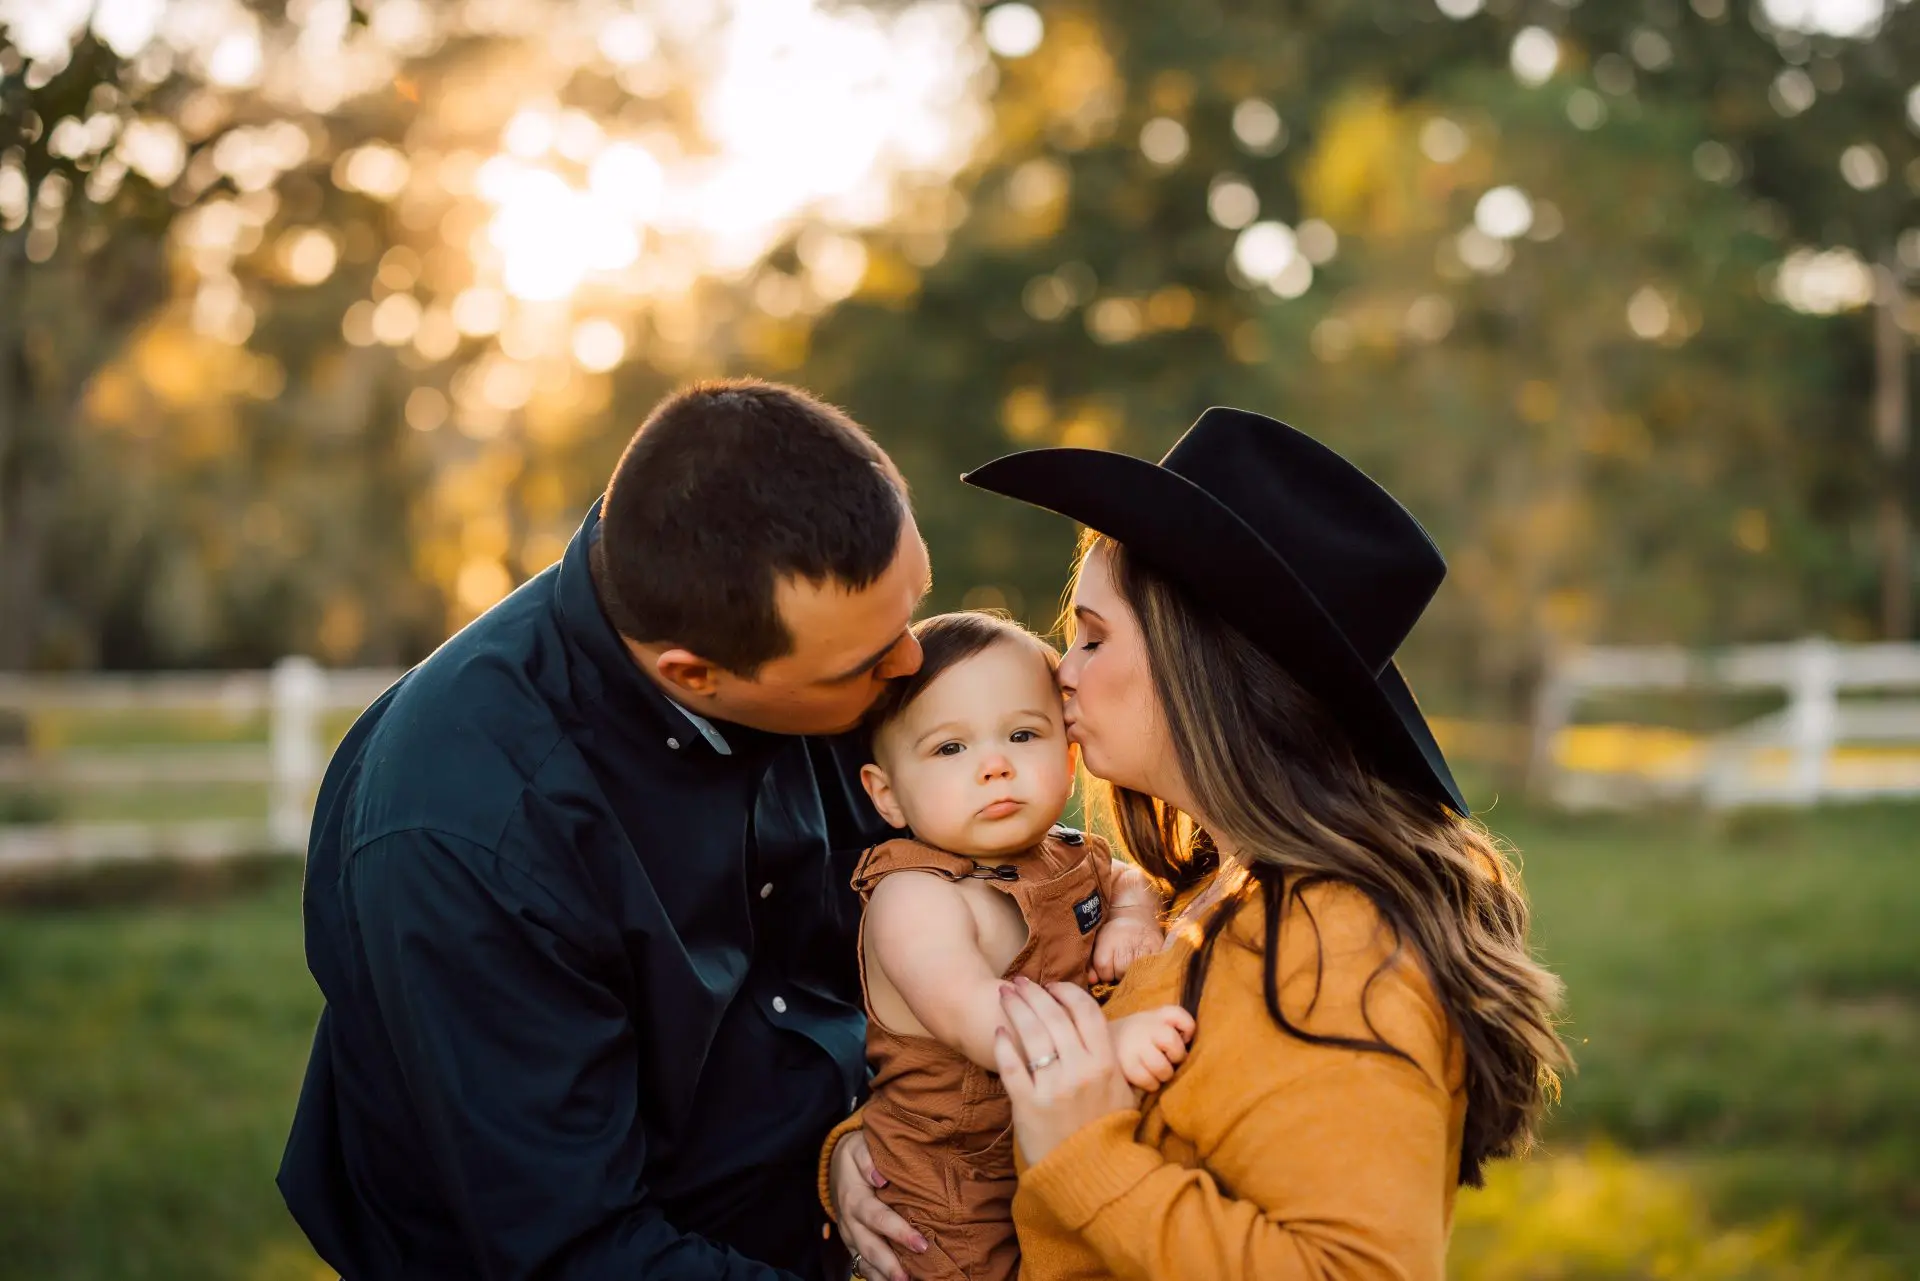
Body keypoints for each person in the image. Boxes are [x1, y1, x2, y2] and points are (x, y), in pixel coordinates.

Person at [829, 406, 1568, 1281]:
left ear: (1200, 662)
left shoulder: (1331, 948)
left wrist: (1084, 1155)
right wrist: (869, 1157)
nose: (1060, 672)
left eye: (1094, 636)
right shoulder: (1189, 895)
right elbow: (992, 1087)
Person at [280, 380, 932, 1280]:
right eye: (868, 662)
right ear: (694, 674)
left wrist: (859, 1128)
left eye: (912, 610)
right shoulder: (471, 833)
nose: (913, 662)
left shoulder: (787, 642)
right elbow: (573, 1251)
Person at [847, 611, 1194, 1281]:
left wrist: (1128, 916)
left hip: (1049, 1170)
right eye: (950, 748)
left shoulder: (1071, 854)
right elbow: (979, 1016)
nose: (995, 765)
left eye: (1022, 733)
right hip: (947, 1202)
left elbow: (1130, 880)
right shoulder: (913, 899)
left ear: (1067, 755)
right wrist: (1106, 1049)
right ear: (886, 793)